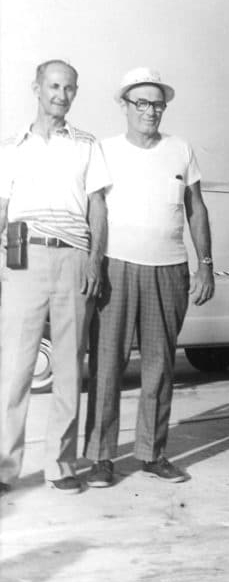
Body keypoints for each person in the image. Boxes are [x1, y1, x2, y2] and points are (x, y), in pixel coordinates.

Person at [83, 67, 214, 487]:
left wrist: (205, 264)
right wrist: (94, 260)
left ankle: (152, 453)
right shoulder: (103, 150)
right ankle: (102, 458)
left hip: (169, 269)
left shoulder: (180, 149)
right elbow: (96, 210)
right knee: (108, 364)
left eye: (157, 104)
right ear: (124, 105)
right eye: (141, 102)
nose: (150, 111)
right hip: (116, 266)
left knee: (159, 368)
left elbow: (196, 208)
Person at [0, 59, 109, 494]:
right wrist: (5, 264)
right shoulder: (13, 146)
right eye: (54, 86)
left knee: (67, 368)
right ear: (37, 88)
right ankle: (5, 467)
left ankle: (61, 466)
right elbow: (4, 211)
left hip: (72, 258)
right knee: (15, 369)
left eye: (69, 89)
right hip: (23, 254)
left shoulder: (86, 144)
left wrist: (94, 258)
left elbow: (97, 207)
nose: (61, 96)